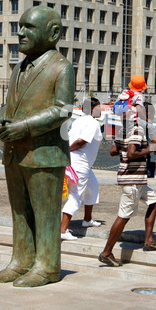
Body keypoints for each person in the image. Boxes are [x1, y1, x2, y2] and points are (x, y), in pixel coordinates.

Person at [0, 6, 74, 287]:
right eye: (20, 26)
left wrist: (24, 127)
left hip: (44, 154)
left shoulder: (61, 67)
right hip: (15, 153)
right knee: (19, 211)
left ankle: (47, 265)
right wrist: (1, 120)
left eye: (29, 27)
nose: (20, 32)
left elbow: (62, 110)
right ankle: (22, 260)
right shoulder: (19, 67)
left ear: (53, 34)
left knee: (45, 213)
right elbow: (11, 105)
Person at [98, 104, 156, 267]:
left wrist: (142, 148)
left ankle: (148, 240)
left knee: (155, 202)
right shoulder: (137, 130)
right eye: (149, 114)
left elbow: (113, 151)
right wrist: (150, 149)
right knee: (124, 215)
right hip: (133, 180)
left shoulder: (124, 131)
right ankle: (106, 252)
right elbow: (132, 153)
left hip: (135, 179)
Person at [61, 97, 103, 240]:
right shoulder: (92, 122)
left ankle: (87, 219)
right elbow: (81, 141)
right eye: (99, 106)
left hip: (78, 162)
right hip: (80, 162)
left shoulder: (79, 120)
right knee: (75, 196)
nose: (101, 109)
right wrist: (68, 150)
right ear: (92, 108)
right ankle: (63, 231)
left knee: (93, 186)